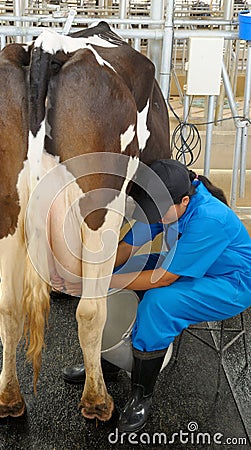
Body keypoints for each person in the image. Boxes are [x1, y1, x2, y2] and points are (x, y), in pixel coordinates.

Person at [62, 159, 251, 433]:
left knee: (159, 304)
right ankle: (108, 361)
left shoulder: (210, 218)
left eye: (158, 214)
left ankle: (141, 395)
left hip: (230, 283)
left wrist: (98, 283)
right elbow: (127, 246)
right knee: (131, 267)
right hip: (194, 267)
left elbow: (164, 278)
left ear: (185, 201)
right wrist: (93, 271)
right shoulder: (165, 205)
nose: (155, 219)